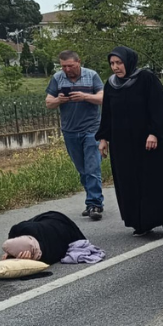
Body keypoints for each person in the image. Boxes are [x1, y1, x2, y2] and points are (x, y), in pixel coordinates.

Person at [96, 46, 163, 237]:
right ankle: (141, 223)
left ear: (128, 61)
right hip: (123, 145)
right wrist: (103, 138)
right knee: (130, 182)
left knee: (159, 181)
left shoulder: (146, 79)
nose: (115, 67)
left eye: (119, 63)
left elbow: (157, 105)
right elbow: (107, 113)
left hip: (150, 143)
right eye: (112, 63)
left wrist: (154, 133)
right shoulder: (111, 84)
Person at [44, 51, 105, 221]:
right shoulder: (58, 78)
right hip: (70, 130)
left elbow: (103, 98)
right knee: (83, 169)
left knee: (92, 167)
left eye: (70, 65)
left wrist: (85, 96)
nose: (67, 69)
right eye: (64, 66)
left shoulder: (92, 75)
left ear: (79, 62)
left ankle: (95, 203)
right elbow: (48, 102)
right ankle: (91, 201)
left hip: (91, 128)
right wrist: (60, 100)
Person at [1, 211, 86, 265]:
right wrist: (10, 254)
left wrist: (25, 262)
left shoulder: (47, 255)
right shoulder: (17, 230)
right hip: (51, 221)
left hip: (55, 219)